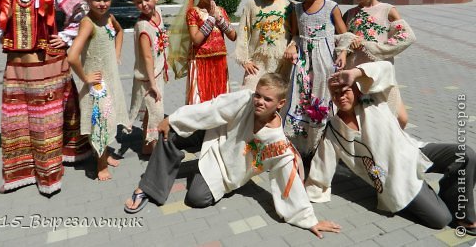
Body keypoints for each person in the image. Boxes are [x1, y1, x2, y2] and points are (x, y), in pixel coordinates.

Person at [123, 73, 342, 239]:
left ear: (280, 104)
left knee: (196, 199)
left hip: (226, 170)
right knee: (170, 130)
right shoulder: (245, 99)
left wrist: (308, 219)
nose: (259, 101)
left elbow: (289, 180)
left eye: (267, 99)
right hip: (212, 135)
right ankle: (148, 186)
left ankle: (205, 172)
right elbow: (212, 109)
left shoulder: (279, 144)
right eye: (258, 95)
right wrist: (173, 120)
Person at [305, 61, 476, 233]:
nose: (341, 96)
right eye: (335, 93)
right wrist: (301, 205)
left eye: (346, 91)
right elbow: (322, 167)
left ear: (357, 90)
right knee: (441, 220)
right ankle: (429, 195)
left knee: (465, 154)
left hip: (413, 152)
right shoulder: (334, 130)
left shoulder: (373, 100)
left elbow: (386, 68)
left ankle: (459, 208)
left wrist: (355, 73)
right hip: (395, 180)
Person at [0, 0, 91, 195]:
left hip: (49, 67)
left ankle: (49, 176)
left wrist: (65, 36)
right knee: (16, 120)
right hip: (17, 70)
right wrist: (0, 35)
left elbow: (80, 11)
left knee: (46, 121)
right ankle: (21, 172)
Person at [282, 0, 349, 158]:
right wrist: (293, 46)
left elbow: (344, 34)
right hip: (303, 64)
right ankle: (302, 148)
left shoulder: (331, 7)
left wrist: (343, 53)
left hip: (324, 63)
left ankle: (323, 148)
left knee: (322, 100)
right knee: (301, 100)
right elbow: (295, 34)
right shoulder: (297, 9)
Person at [342, 0, 415, 129]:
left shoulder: (387, 10)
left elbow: (406, 36)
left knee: (399, 119)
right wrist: (350, 44)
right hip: (356, 74)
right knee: (364, 120)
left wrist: (375, 48)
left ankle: (393, 150)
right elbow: (340, 40)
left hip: (380, 73)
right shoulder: (349, 13)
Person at [67, 0, 129, 181]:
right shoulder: (88, 23)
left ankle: (105, 154)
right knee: (100, 122)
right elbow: (72, 56)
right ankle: (100, 165)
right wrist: (85, 78)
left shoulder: (109, 17)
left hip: (111, 78)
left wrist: (117, 54)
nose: (102, 4)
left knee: (108, 117)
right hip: (97, 85)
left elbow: (120, 32)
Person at [168, 0, 236, 104]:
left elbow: (233, 36)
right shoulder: (193, 12)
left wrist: (220, 20)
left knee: (220, 100)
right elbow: (196, 39)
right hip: (200, 61)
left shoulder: (220, 10)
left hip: (219, 60)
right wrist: (211, 19)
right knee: (199, 99)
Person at [127, 0, 168, 155]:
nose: (144, 4)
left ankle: (146, 147)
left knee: (151, 112)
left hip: (158, 73)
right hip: (149, 78)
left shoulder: (158, 12)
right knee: (157, 113)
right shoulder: (143, 26)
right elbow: (147, 57)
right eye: (138, 2)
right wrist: (152, 84)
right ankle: (155, 151)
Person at [235, 0, 292, 90]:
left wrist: (293, 47)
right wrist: (244, 60)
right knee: (250, 93)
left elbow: (296, 33)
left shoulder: (288, 6)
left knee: (277, 98)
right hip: (257, 62)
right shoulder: (252, 4)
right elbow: (243, 32)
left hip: (281, 63)